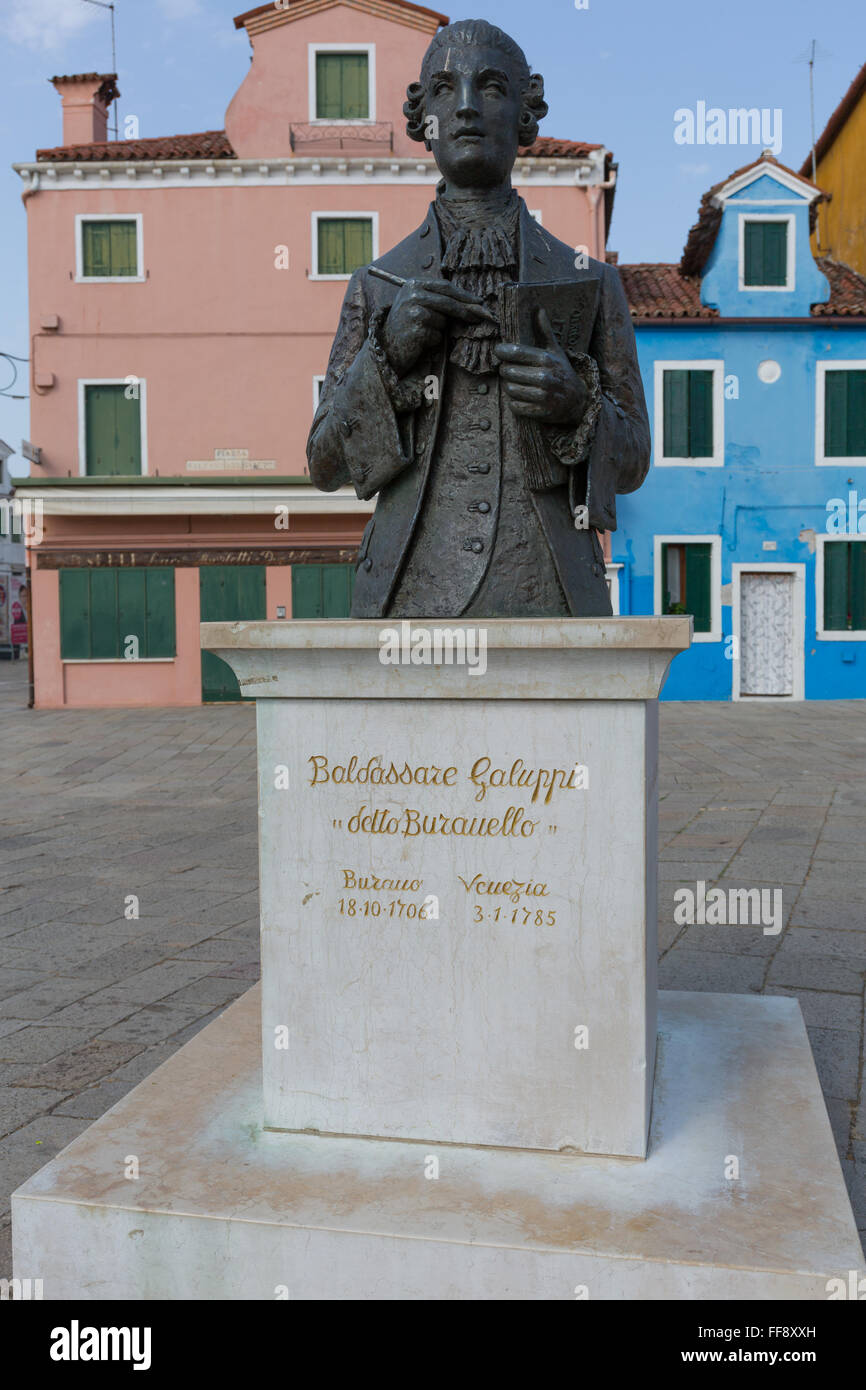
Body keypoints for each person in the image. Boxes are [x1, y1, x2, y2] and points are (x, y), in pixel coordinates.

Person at [307, 19, 650, 619]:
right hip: (409, 592)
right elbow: (324, 463)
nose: (465, 106)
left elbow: (636, 461)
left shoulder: (591, 282)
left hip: (551, 590)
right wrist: (384, 357)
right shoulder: (377, 285)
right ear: (423, 120)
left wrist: (577, 407)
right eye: (444, 88)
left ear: (525, 115)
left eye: (490, 87)